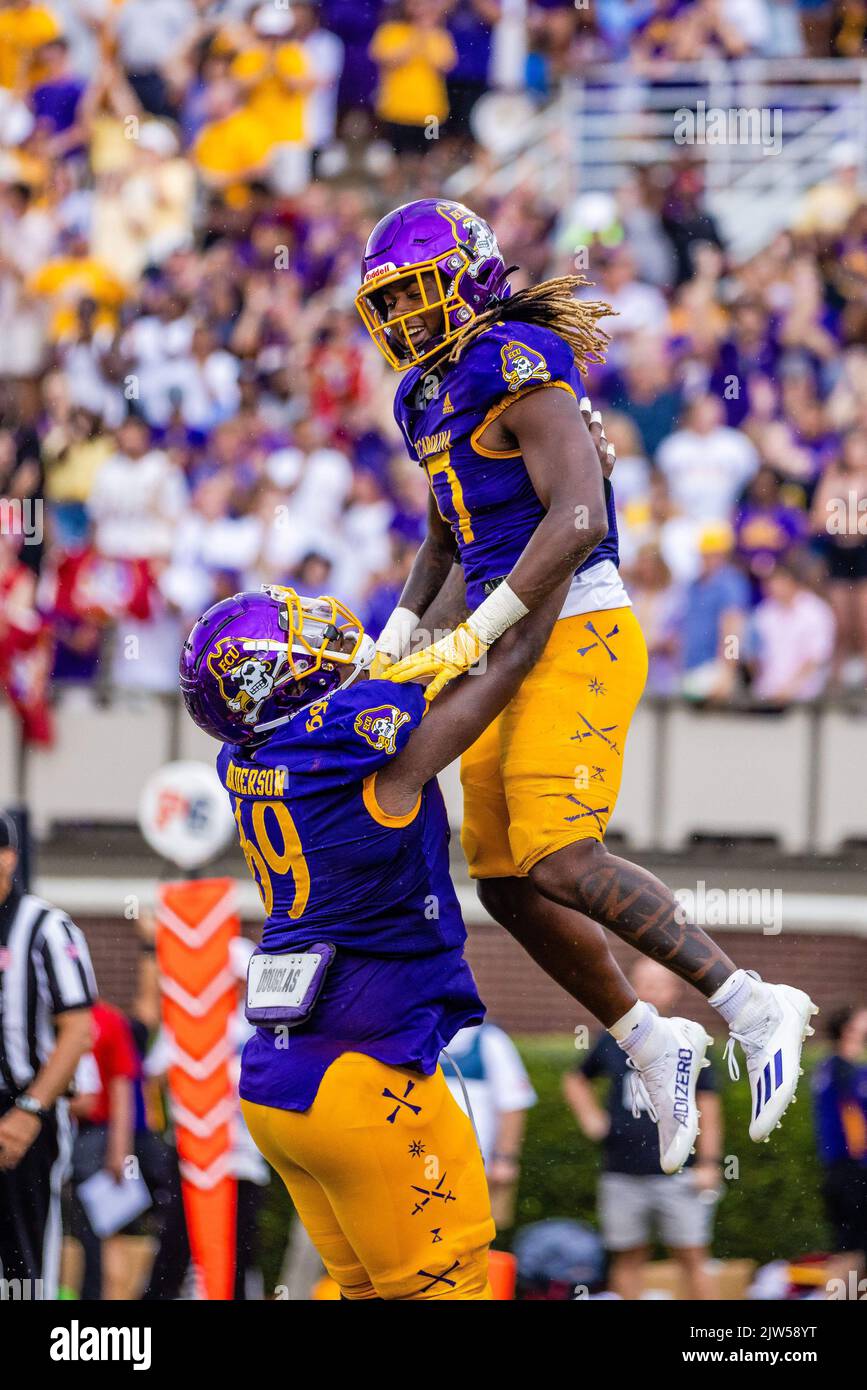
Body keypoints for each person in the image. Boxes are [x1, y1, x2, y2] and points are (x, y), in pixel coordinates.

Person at [356, 197, 817, 1174]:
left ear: (467, 279)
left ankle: (750, 1001)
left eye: (413, 294)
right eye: (387, 303)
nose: (401, 319)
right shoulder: (422, 395)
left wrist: (475, 629)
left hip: (576, 622)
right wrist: (396, 634)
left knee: (561, 852)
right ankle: (651, 1037)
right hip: (503, 635)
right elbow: (448, 527)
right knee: (508, 879)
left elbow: (575, 515)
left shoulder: (512, 356)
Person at [180, 580, 576, 1299]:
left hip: (278, 1089)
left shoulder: (256, 761)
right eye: (301, 640)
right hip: (365, 1080)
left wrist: (456, 540)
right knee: (448, 1290)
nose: (325, 637)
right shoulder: (376, 765)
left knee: (359, 1292)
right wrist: (567, 548)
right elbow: (510, 654)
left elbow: (399, 666)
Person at [564, 960, 723, 1300]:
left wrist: (710, 1162)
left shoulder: (688, 1039)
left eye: (658, 983)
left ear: (674, 990)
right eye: (641, 982)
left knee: (692, 1255)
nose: (649, 989)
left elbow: (709, 1106)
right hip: (622, 1169)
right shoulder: (615, 1037)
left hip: (681, 1170)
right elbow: (576, 1079)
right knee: (628, 1255)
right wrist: (592, 1119)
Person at [0, 810, 97, 1298]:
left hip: (23, 1108)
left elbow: (78, 1030)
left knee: (22, 1263)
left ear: (10, 857)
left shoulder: (44, 926)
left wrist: (31, 1109)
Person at [440, 1020, 536, 1229]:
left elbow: (513, 1104)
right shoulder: (413, 1036)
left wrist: (504, 1159)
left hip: (474, 1169)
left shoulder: (491, 1040)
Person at [812, 1006, 867, 1273]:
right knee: (852, 1251)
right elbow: (853, 1124)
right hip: (851, 1169)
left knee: (852, 1249)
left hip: (842, 1168)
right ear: (849, 1028)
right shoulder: (842, 1069)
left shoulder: (833, 1068)